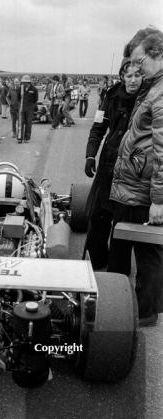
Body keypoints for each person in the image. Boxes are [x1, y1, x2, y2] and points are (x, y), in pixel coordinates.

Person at [107, 26, 163, 327]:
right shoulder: (153, 87)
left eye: (140, 62)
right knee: (130, 240)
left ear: (157, 55)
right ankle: (132, 305)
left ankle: (143, 313)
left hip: (144, 187)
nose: (137, 68)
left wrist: (159, 200)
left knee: (148, 250)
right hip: (136, 182)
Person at [83, 58, 143, 270]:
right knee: (98, 216)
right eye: (129, 75)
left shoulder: (148, 100)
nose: (133, 79)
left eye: (138, 75)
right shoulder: (111, 96)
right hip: (107, 165)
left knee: (122, 222)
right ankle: (97, 264)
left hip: (132, 170)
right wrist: (90, 155)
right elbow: (98, 127)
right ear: (122, 77)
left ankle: (118, 273)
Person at [16, 74, 38, 143]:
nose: (23, 83)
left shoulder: (34, 89)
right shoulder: (20, 88)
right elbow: (18, 98)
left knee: (28, 123)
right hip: (22, 108)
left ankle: (27, 138)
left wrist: (31, 106)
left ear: (28, 82)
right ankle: (20, 138)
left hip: (30, 109)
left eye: (24, 82)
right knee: (21, 123)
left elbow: (35, 99)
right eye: (23, 82)